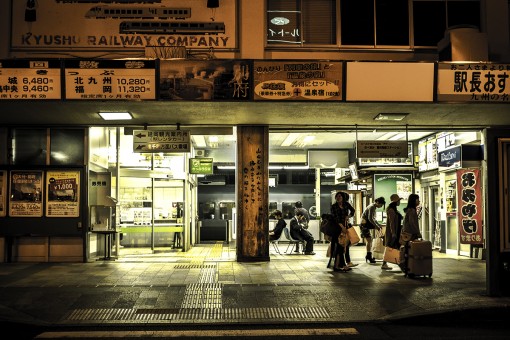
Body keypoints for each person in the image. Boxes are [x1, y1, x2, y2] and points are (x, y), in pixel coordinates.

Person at [330, 191, 356, 272]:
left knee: (343, 246)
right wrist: (342, 227)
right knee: (339, 247)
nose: (338, 198)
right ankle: (338, 266)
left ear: (343, 198)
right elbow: (336, 219)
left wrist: (348, 216)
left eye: (340, 196)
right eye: (337, 196)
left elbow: (353, 210)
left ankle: (342, 265)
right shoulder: (334, 206)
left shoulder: (346, 204)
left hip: (344, 227)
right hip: (337, 228)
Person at [360, 196, 386, 264]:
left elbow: (373, 218)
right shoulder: (372, 207)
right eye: (381, 204)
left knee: (369, 240)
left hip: (365, 225)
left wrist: (378, 224)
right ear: (377, 202)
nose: (381, 206)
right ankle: (369, 256)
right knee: (369, 240)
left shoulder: (372, 206)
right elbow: (370, 218)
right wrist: (377, 226)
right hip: (364, 225)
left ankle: (369, 255)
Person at [382, 194, 403, 270]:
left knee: (391, 247)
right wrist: (393, 233)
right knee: (390, 247)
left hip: (394, 231)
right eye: (399, 201)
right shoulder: (391, 210)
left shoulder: (393, 209)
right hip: (392, 232)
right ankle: (397, 263)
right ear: (396, 202)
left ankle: (394, 262)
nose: (399, 202)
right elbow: (391, 223)